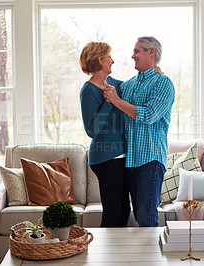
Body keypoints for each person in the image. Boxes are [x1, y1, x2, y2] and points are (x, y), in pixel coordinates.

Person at [104, 36, 175, 227]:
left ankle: (154, 258)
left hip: (151, 160)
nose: (132, 55)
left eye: (137, 51)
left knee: (146, 216)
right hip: (130, 161)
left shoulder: (163, 83)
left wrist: (117, 101)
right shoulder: (128, 85)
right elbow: (106, 82)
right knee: (138, 216)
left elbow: (149, 114)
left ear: (151, 52)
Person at [79, 42, 130, 227]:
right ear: (99, 59)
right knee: (113, 213)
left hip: (123, 157)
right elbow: (91, 130)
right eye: (109, 57)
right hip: (105, 158)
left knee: (124, 212)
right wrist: (109, 101)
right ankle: (103, 255)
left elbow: (138, 88)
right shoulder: (88, 91)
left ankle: (117, 254)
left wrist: (156, 76)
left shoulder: (116, 85)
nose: (112, 61)